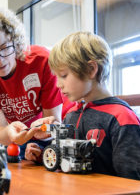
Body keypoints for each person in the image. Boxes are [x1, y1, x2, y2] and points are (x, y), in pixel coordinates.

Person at [0, 4, 64, 157]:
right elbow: (1, 132)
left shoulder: (42, 61)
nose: (0, 61)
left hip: (51, 137)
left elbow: (54, 123)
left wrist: (39, 138)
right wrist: (9, 133)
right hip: (18, 138)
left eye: (5, 48)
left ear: (15, 42)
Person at [42, 31, 140, 180]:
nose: (58, 85)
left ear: (91, 69)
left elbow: (131, 180)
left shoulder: (121, 118)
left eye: (63, 75)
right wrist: (41, 154)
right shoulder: (71, 115)